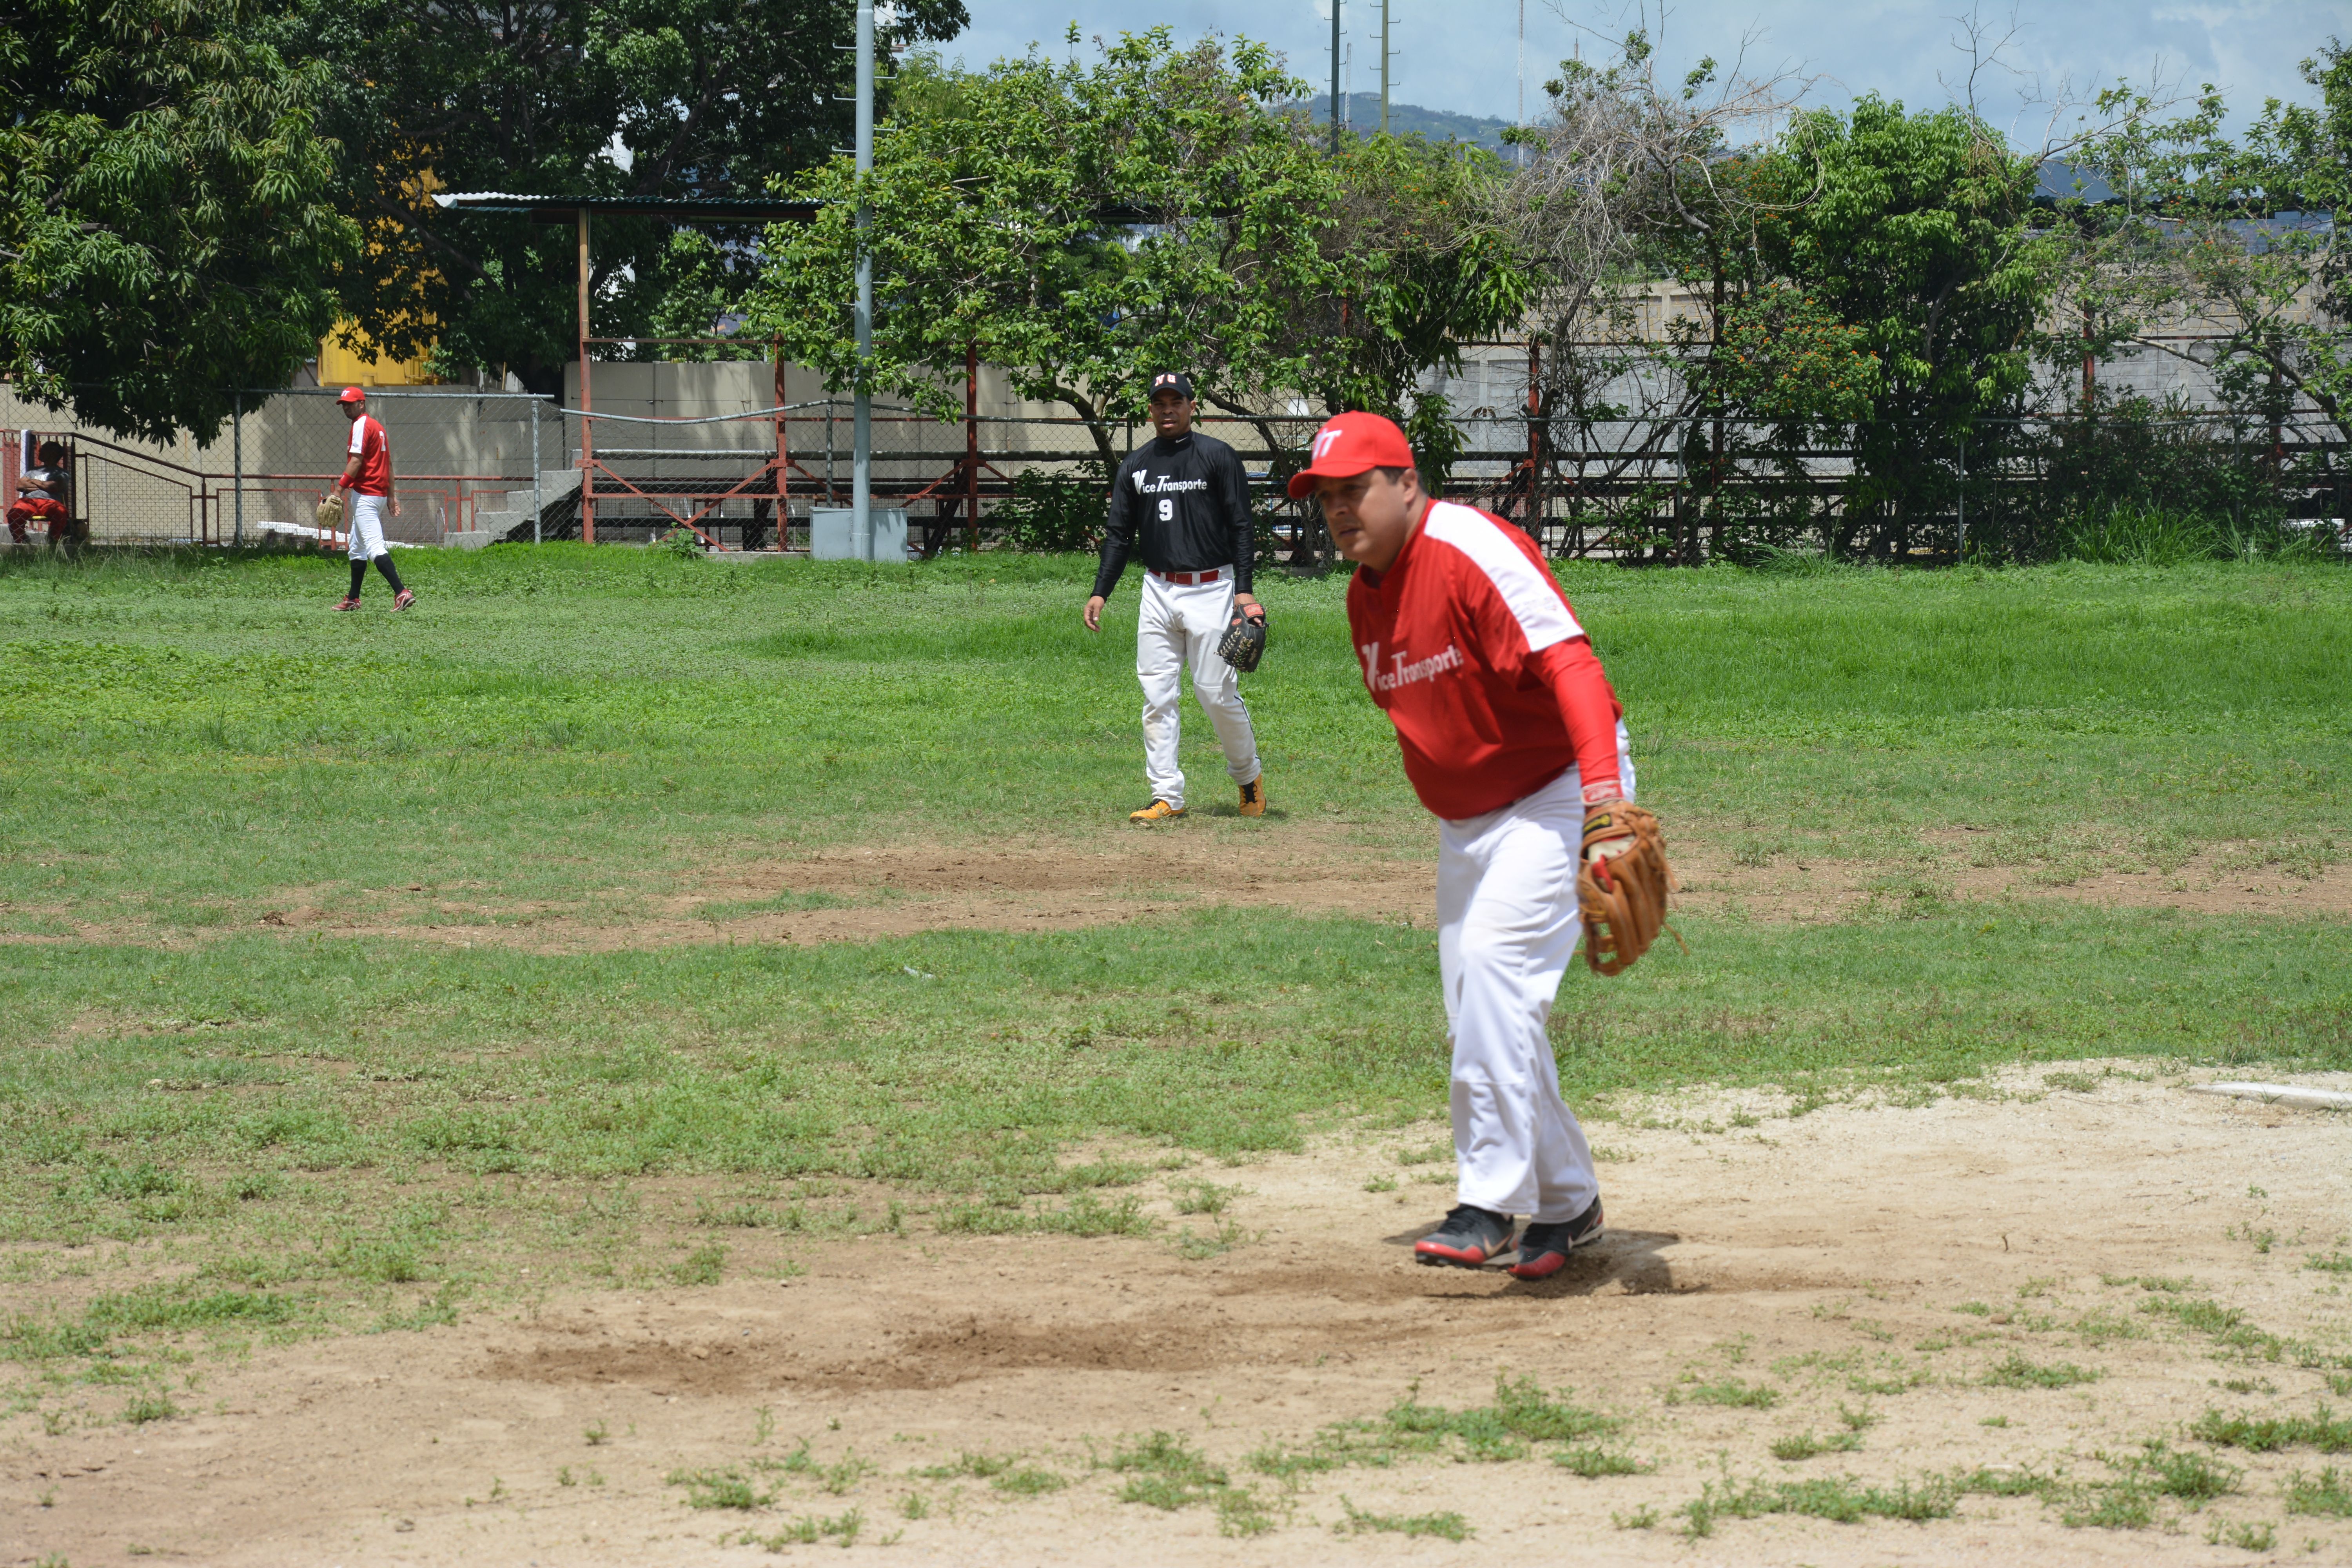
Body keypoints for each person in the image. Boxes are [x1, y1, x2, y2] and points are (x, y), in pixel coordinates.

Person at [1292, 410, 1637, 1281]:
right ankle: (1568, 1203)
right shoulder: (1364, 595)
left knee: (1492, 969)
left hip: (1557, 793)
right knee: (1483, 1009)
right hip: (1471, 824)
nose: (1339, 510)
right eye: (1325, 498)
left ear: (1407, 483)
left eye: (1355, 489)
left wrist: (1604, 799)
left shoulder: (1469, 548)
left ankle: (1486, 1202)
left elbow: (1572, 664)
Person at [1082, 372, 1266, 822]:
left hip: (1213, 587)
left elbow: (1242, 525)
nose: (1168, 410)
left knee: (1215, 694)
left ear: (1191, 406)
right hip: (1158, 589)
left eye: (1176, 402)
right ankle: (1167, 796)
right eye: (1160, 403)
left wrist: (1244, 591)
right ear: (1151, 410)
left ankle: (1248, 777)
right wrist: (1101, 591)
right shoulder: (1136, 465)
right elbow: (1119, 534)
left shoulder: (1217, 456)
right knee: (1157, 695)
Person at [332, 387, 414, 611]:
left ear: (362, 404)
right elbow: (389, 464)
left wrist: (338, 490)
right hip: (376, 495)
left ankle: (402, 592)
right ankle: (353, 598)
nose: (346, 407)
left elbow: (356, 461)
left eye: (350, 403)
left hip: (366, 496)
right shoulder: (378, 427)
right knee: (357, 548)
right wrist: (391, 495)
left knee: (374, 547)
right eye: (344, 404)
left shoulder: (361, 425)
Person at [8, 441, 73, 546]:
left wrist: (33, 482)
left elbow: (57, 487)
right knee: (14, 513)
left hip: (51, 502)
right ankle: (20, 541)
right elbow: (20, 486)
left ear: (53, 453)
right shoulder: (33, 471)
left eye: (43, 449)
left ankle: (53, 541)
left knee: (61, 512)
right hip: (28, 501)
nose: (39, 451)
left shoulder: (62, 473)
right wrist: (44, 485)